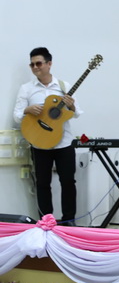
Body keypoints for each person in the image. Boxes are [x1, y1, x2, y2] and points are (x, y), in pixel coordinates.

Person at [13, 47, 82, 225]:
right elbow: (17, 115)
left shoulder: (64, 87)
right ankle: (46, 221)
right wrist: (28, 110)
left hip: (64, 143)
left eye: (39, 63)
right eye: (32, 65)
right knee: (42, 183)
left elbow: (76, 113)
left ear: (49, 64)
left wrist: (71, 106)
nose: (35, 67)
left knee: (68, 182)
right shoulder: (26, 89)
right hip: (39, 143)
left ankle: (69, 220)